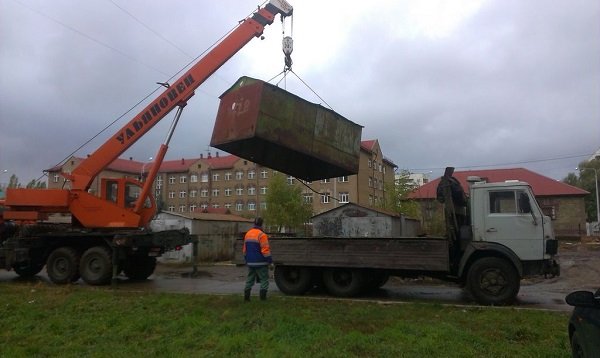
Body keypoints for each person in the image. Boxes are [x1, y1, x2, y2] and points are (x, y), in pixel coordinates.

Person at [243, 217, 272, 301]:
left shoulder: (248, 234)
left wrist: (247, 260)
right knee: (264, 280)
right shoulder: (262, 235)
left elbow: (244, 250)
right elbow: (265, 250)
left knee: (249, 280)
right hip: (261, 262)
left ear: (254, 224)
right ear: (261, 224)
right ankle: (263, 299)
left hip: (250, 262)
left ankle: (246, 298)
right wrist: (270, 262)